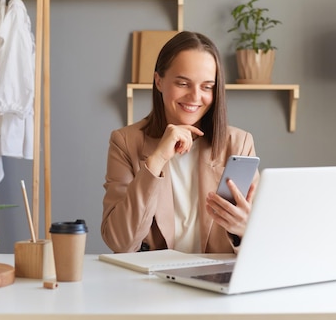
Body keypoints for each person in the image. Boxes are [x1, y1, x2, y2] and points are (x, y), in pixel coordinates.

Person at [101, 31, 259, 254]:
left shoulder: (239, 143)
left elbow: (264, 243)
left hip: (215, 280)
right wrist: (156, 160)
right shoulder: (125, 142)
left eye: (207, 87)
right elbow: (121, 242)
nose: (195, 97)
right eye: (183, 83)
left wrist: (245, 230)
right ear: (158, 81)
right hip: (152, 283)